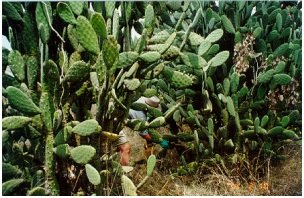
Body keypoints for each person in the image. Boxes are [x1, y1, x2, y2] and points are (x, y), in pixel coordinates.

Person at [115, 96, 169, 165]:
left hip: (118, 119)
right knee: (126, 148)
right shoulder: (140, 115)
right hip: (115, 122)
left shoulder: (143, 99)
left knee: (120, 147)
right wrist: (160, 141)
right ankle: (123, 171)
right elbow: (144, 134)